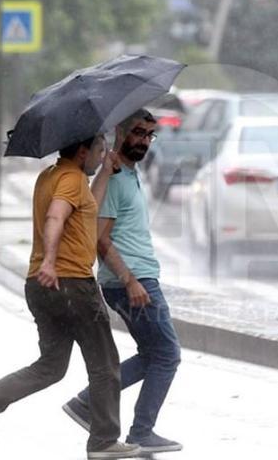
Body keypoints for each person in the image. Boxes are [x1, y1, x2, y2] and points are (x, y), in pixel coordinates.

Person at [0, 134, 139, 460]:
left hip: (41, 288)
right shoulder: (70, 179)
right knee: (105, 365)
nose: (102, 156)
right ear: (82, 151)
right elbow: (56, 216)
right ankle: (103, 441)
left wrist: (105, 173)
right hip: (71, 284)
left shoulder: (52, 176)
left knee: (51, 367)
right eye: (99, 151)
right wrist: (50, 261)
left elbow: (87, 211)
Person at [62, 109, 183, 454]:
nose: (144, 140)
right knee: (167, 354)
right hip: (131, 280)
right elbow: (101, 239)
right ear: (120, 131)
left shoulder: (128, 174)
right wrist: (130, 280)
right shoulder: (114, 178)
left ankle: (87, 403)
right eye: (138, 132)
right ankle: (140, 431)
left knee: (154, 353)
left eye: (149, 134)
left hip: (136, 277)